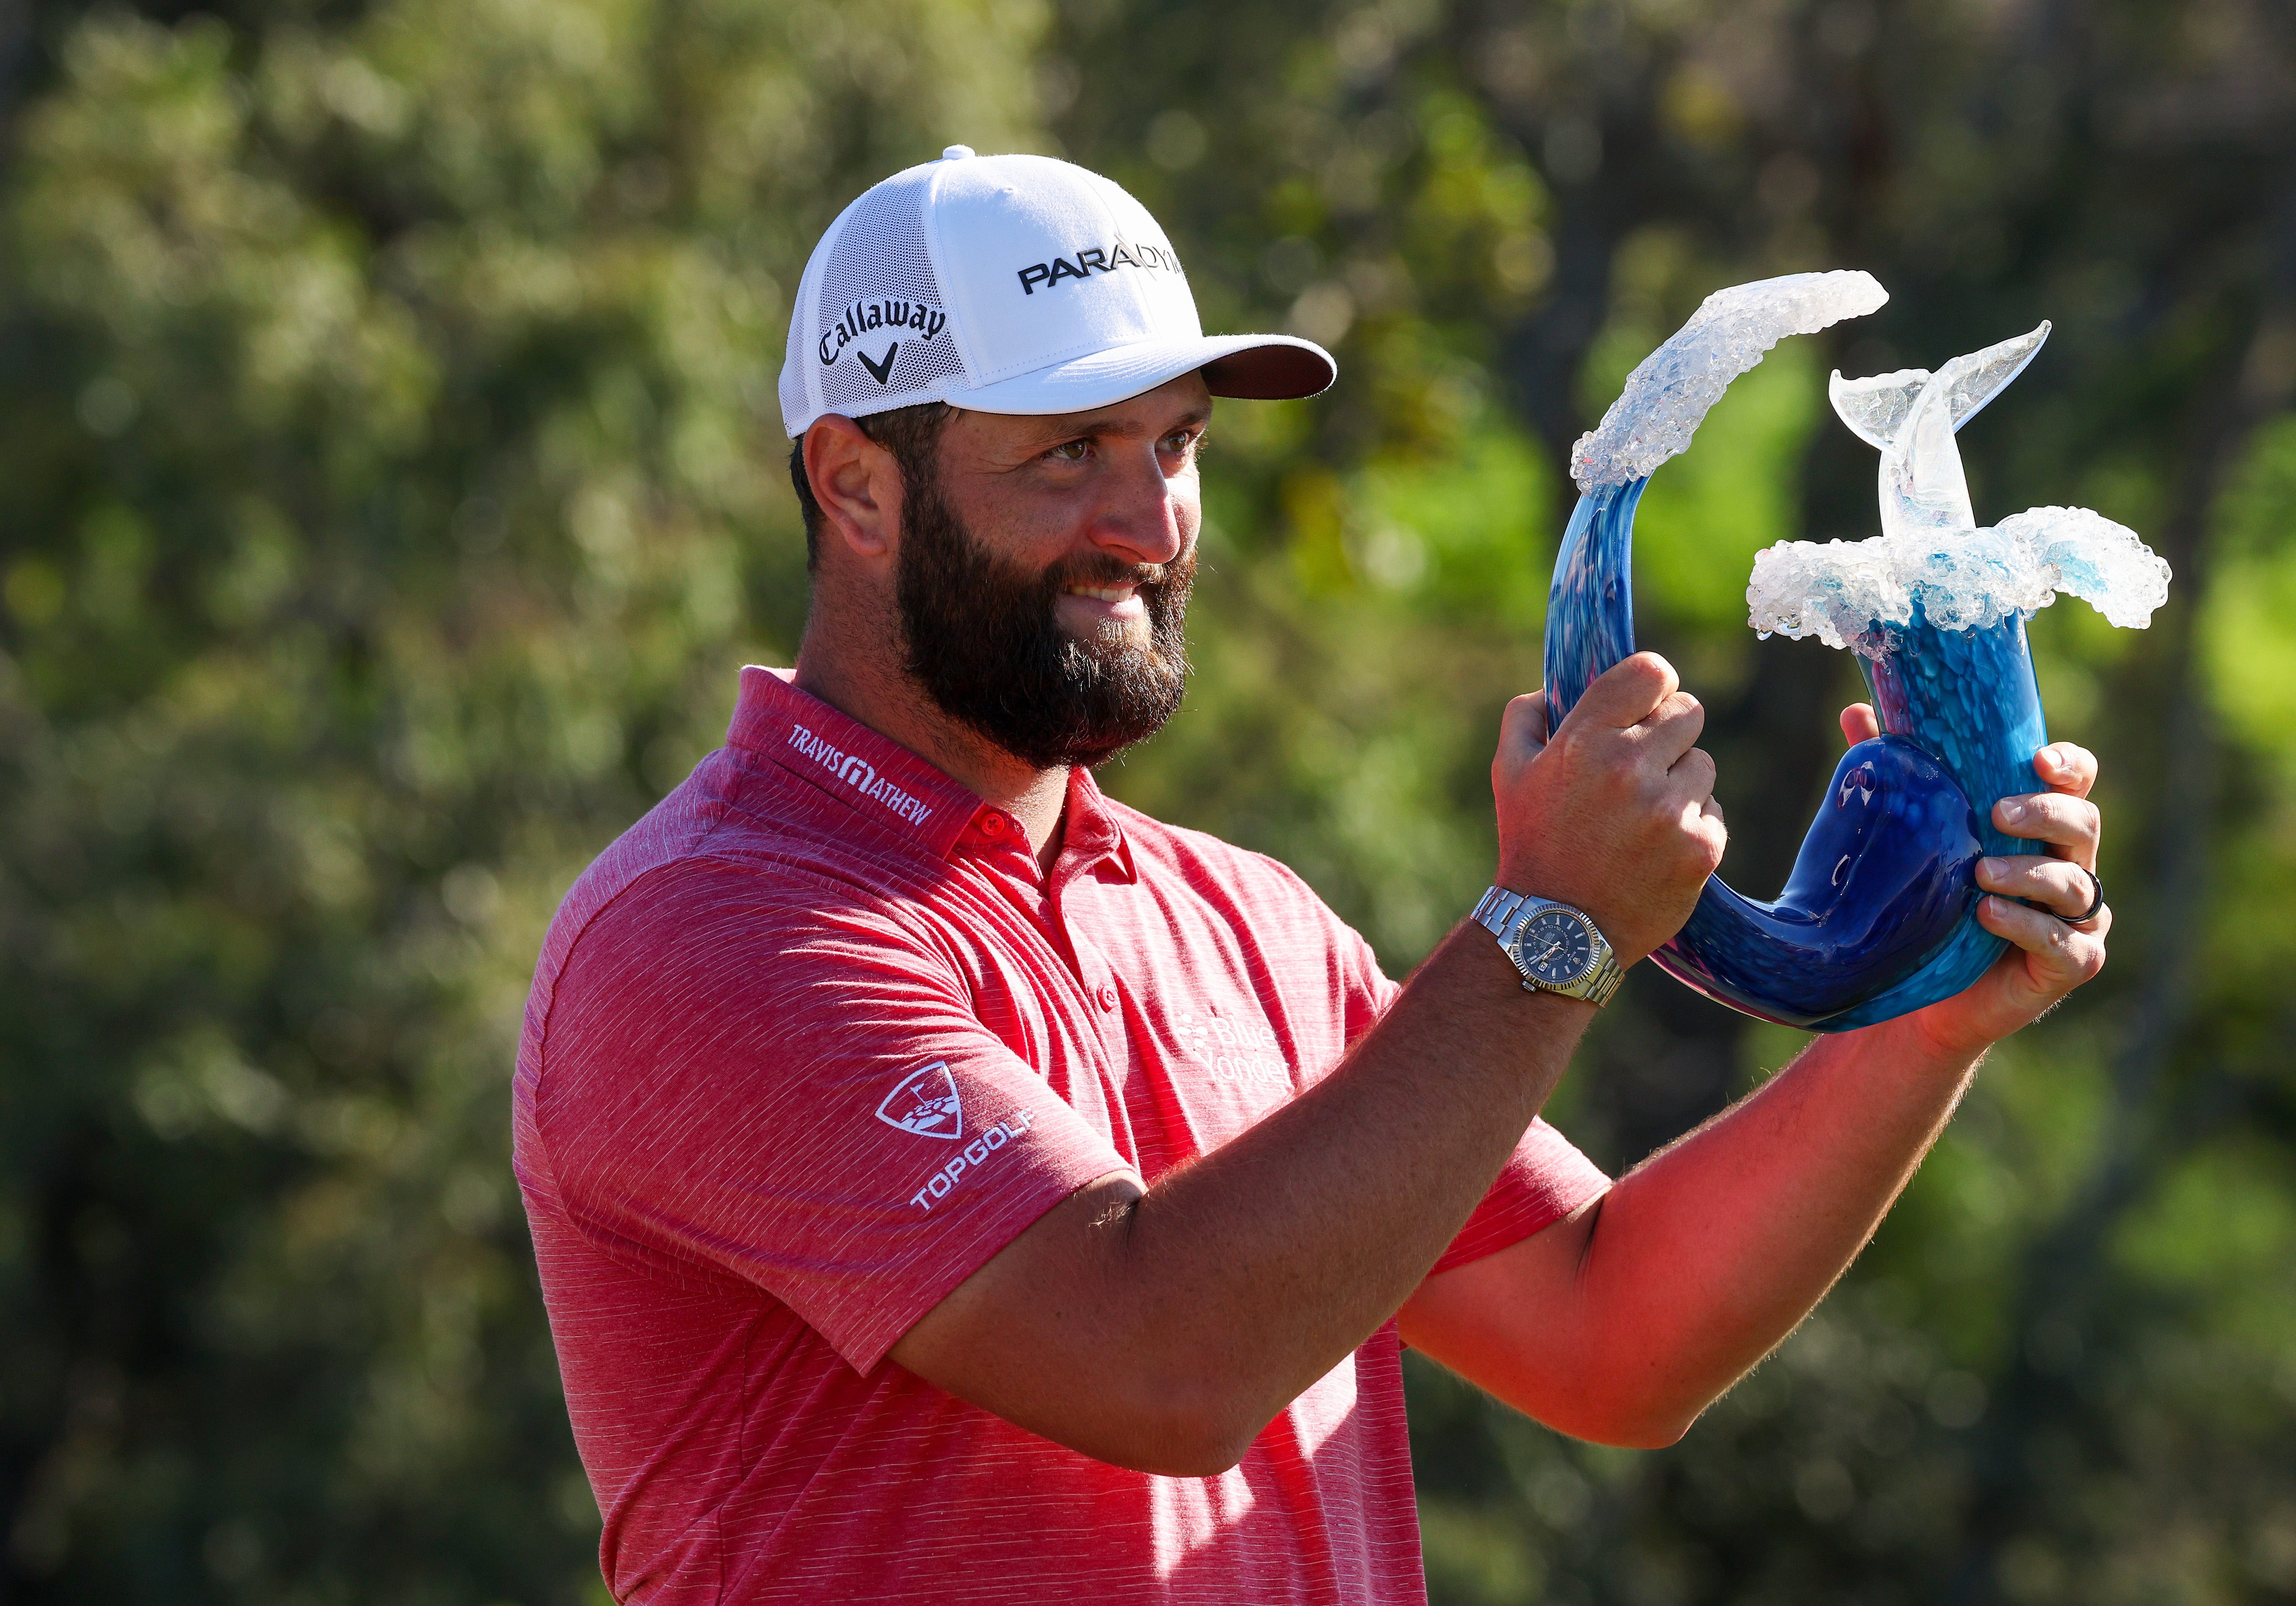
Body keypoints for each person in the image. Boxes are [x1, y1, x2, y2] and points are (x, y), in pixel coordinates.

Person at [511, 147, 2112, 1603]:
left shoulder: (1246, 922)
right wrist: (1547, 930)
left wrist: (1923, 1019)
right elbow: (1164, 1362)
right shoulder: (707, 933)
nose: (1150, 521)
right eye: (1071, 452)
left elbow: (1615, 1331)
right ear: (856, 482)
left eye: (1178, 443)